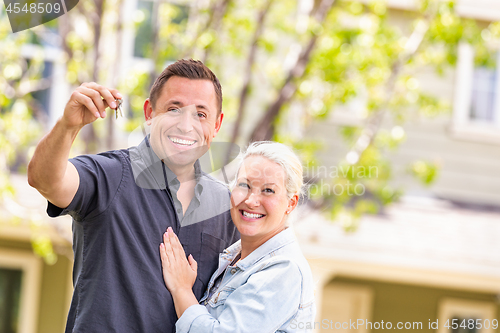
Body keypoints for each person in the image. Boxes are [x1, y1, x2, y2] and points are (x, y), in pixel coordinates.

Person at [27, 59, 239, 332]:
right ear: (149, 113)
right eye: (174, 109)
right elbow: (44, 179)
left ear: (216, 125)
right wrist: (68, 126)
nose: (187, 125)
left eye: (201, 114)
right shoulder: (110, 176)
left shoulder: (226, 206)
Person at [159, 141, 316, 332]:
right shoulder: (234, 257)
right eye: (245, 185)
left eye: (268, 190)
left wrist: (182, 290)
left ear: (291, 203)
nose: (250, 200)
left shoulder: (284, 270)